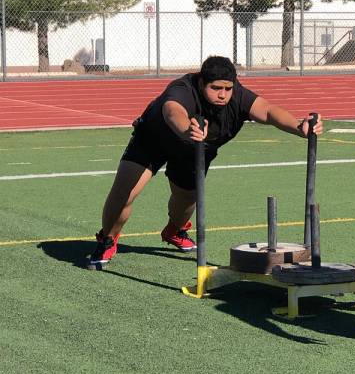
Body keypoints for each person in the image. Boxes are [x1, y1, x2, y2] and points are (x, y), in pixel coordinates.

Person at [88, 56, 323, 270]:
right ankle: (108, 238)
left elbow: (269, 111)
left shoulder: (238, 97)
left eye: (227, 89)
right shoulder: (184, 89)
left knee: (186, 199)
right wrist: (187, 129)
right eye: (215, 88)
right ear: (202, 83)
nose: (222, 94)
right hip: (153, 140)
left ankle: (174, 230)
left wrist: (299, 127)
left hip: (194, 151)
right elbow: (172, 111)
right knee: (125, 192)